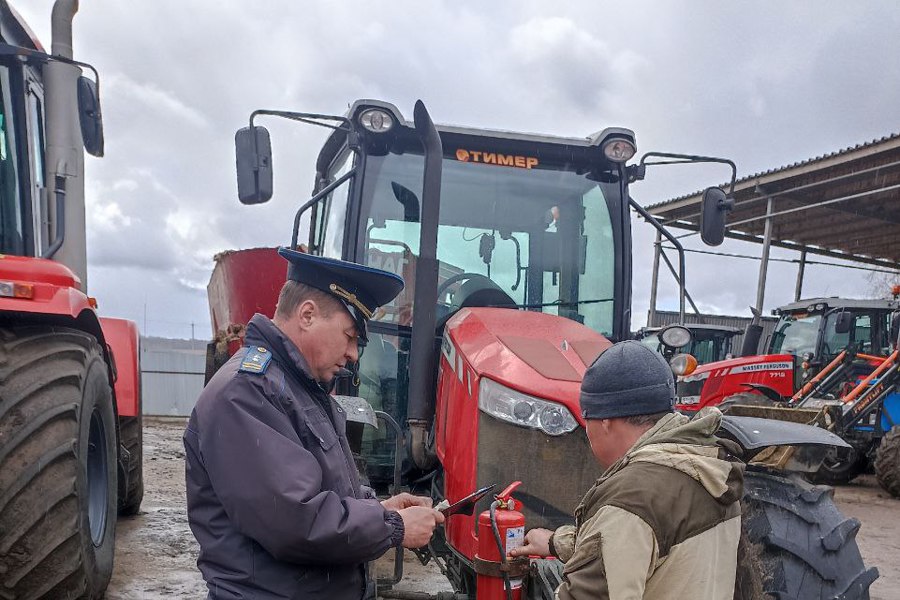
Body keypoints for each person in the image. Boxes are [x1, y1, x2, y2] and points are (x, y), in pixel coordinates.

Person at [184, 248, 444, 599]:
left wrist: (379, 508)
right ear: (307, 315)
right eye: (350, 336)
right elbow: (294, 520)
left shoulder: (299, 388)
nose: (353, 354)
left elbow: (323, 490)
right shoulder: (246, 393)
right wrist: (392, 527)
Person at [509, 340, 744, 600]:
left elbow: (627, 529)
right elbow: (645, 547)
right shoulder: (707, 467)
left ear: (605, 422)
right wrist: (557, 542)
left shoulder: (630, 500)